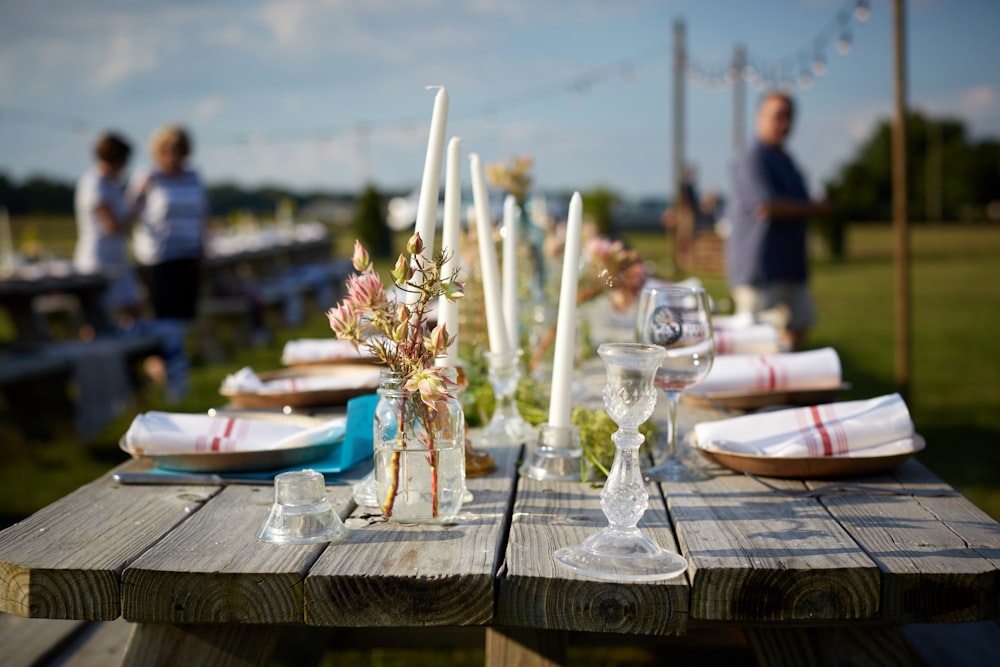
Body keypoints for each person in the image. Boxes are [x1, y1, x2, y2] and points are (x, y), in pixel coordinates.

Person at [726, 92, 834, 350]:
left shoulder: (786, 159)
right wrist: (814, 208)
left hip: (790, 265)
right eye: (778, 116)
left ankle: (785, 379)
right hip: (760, 268)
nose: (784, 123)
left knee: (800, 323)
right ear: (759, 117)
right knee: (754, 341)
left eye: (788, 117)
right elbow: (767, 206)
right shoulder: (753, 156)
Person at [128, 124, 208, 401]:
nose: (173, 155)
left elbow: (201, 215)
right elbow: (130, 212)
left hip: (188, 255)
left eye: (178, 150)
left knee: (182, 320)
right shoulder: (148, 177)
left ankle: (177, 376)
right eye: (167, 150)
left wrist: (202, 248)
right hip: (159, 258)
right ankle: (174, 380)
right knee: (165, 321)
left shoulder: (193, 177)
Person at [73, 131, 143, 328]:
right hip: (98, 261)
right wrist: (133, 218)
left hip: (116, 260)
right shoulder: (94, 184)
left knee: (134, 311)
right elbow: (112, 226)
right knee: (95, 321)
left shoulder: (111, 184)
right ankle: (94, 358)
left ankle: (131, 354)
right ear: (118, 159)